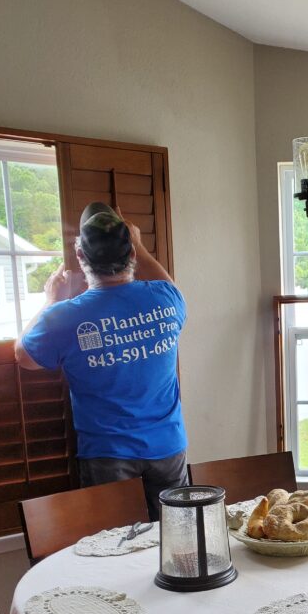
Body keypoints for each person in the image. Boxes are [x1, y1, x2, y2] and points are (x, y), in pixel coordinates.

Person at [15, 202, 188, 519]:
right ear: (132, 254)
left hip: (107, 455)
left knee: (116, 552)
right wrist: (139, 245)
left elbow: (23, 356)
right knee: (177, 543)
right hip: (168, 446)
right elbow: (171, 286)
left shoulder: (65, 316)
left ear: (81, 257)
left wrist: (51, 300)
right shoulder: (167, 298)